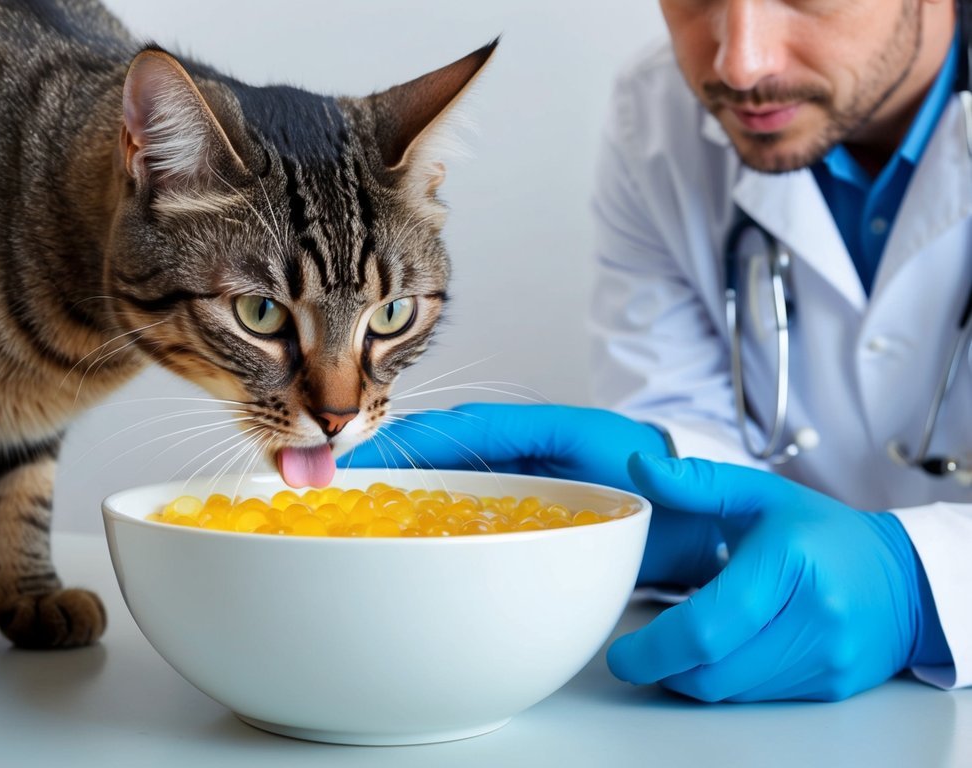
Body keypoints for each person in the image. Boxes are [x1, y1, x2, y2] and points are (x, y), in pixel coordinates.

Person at [345, 0, 971, 702]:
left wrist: (920, 586)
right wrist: (681, 487)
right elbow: (684, 400)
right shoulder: (660, 112)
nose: (738, 62)